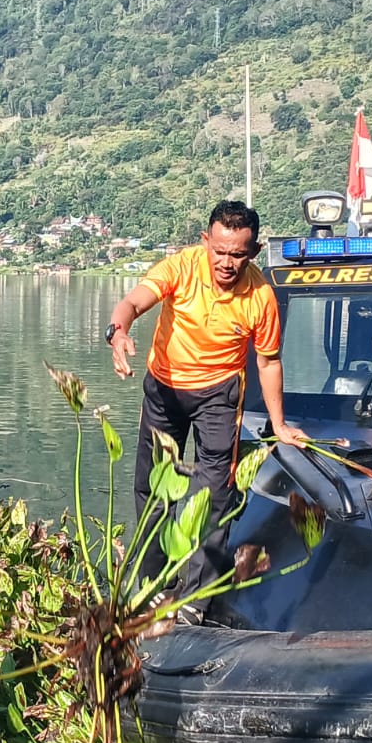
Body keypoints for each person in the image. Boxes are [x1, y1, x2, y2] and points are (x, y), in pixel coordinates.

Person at [106, 201, 306, 582]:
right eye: (219, 252)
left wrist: (279, 425)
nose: (226, 263)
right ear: (205, 242)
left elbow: (268, 362)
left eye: (237, 255)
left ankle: (195, 596)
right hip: (164, 391)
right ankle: (151, 582)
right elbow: (133, 302)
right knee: (153, 489)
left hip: (218, 396)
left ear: (254, 252)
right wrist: (117, 333)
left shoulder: (261, 295)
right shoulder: (181, 267)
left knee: (214, 495)